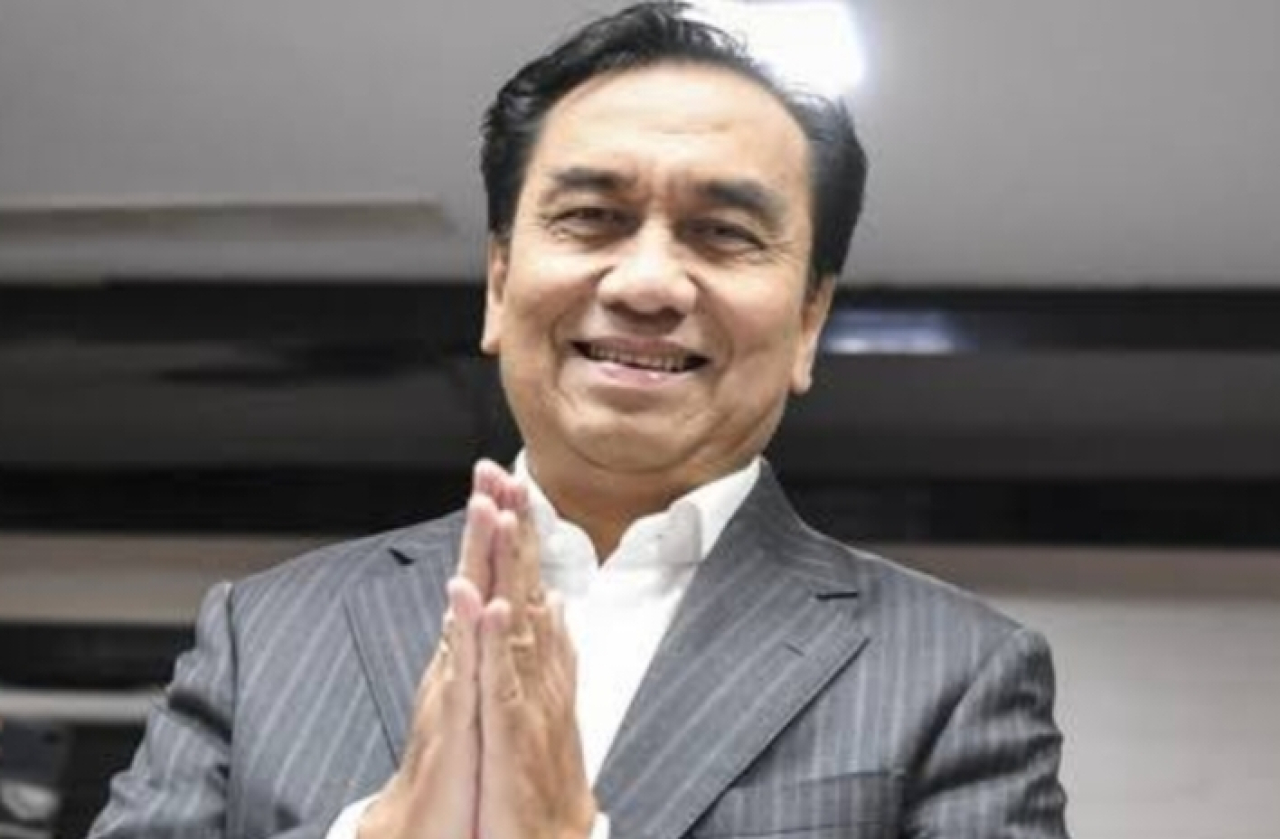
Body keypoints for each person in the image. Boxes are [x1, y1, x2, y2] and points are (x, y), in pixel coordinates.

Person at [89, 3, 1070, 838]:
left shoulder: (957, 672)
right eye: (592, 217)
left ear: (809, 319)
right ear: (499, 280)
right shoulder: (265, 632)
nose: (646, 282)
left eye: (723, 232)